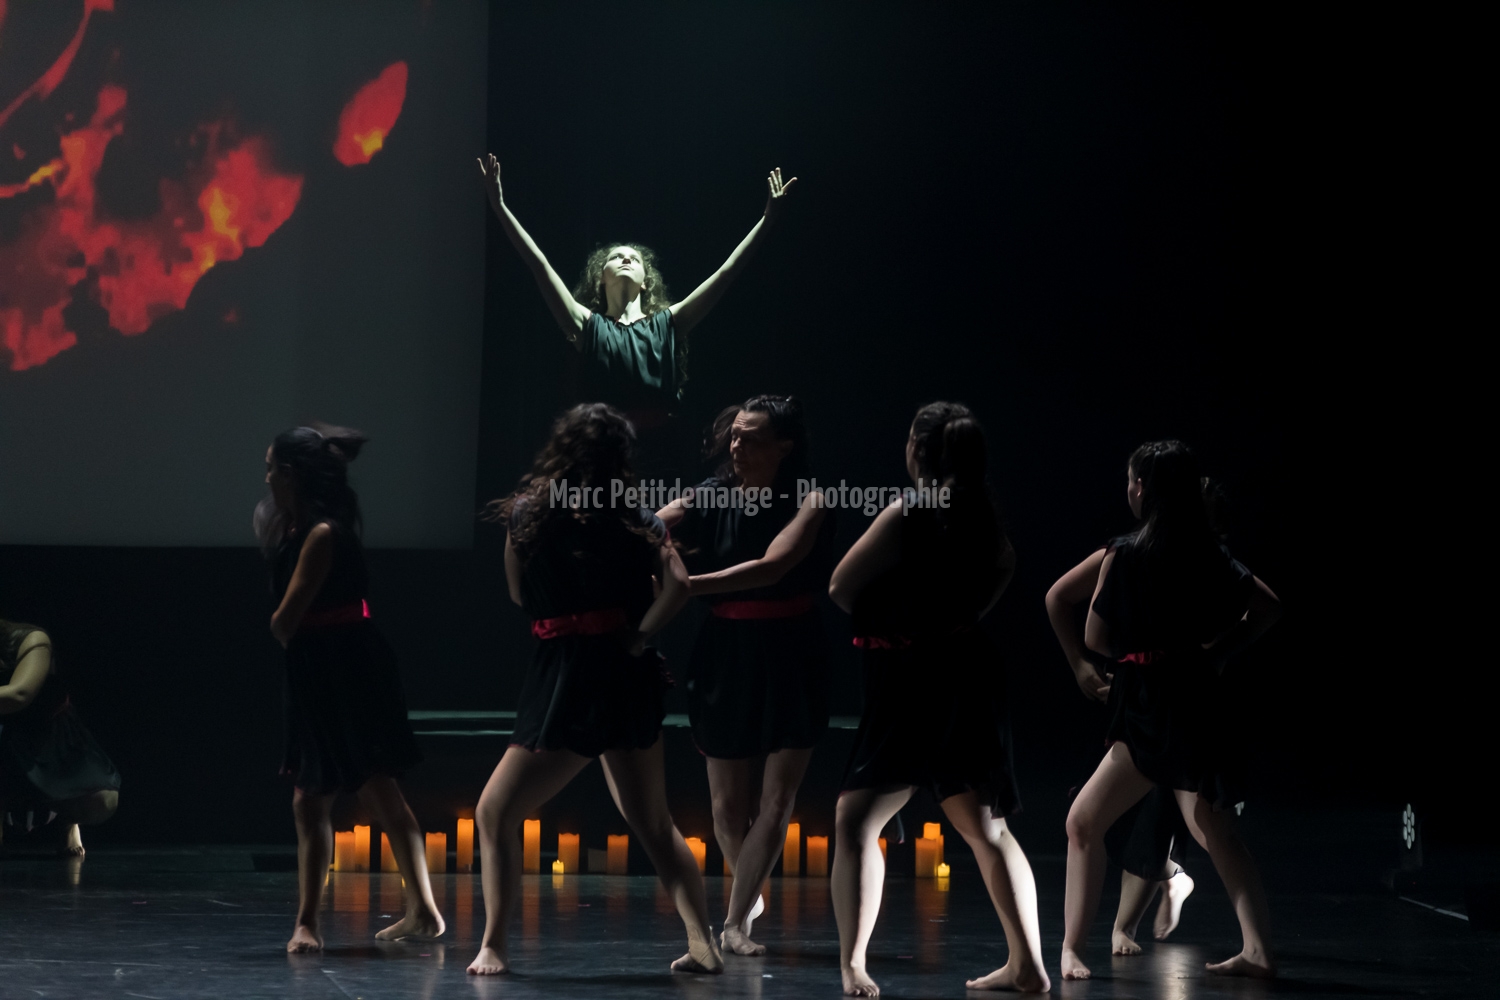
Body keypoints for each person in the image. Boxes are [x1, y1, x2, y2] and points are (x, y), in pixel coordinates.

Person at [467, 403, 722, 977]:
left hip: (569, 676)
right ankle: (703, 944)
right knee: (653, 822)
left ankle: (494, 945)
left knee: (495, 811)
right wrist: (639, 634)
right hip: (626, 675)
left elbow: (518, 594)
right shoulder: (635, 517)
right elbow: (679, 586)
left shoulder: (530, 513)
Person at [827, 402, 1048, 997]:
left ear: (921, 451)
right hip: (966, 671)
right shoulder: (981, 514)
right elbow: (1005, 565)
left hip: (910, 677)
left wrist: (903, 616)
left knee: (855, 822)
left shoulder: (911, 510)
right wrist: (958, 615)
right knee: (987, 829)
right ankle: (1028, 963)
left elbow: (842, 587)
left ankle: (854, 965)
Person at [1045, 439, 1282, 980]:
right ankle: (1259, 950)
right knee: (1216, 830)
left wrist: (1101, 658)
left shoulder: (1126, 553)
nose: (1128, 489)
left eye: (1131, 480)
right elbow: (1269, 608)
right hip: (1195, 699)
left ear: (1143, 489)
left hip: (1150, 704)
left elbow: (1096, 637)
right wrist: (1216, 653)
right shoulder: (1209, 553)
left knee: (1083, 822)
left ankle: (1072, 949)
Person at [476, 153, 796, 475]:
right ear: (601, 278)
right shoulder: (587, 325)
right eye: (616, 257)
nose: (626, 260)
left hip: (661, 451)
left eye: (635, 259)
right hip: (601, 450)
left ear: (645, 282)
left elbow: (726, 273)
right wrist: (500, 207)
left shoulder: (668, 322)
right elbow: (539, 264)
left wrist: (767, 219)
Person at [657, 394, 836, 956]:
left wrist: (687, 587)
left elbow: (773, 566)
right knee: (727, 809)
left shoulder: (811, 498)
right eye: (734, 434)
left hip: (791, 650)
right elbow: (650, 523)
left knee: (776, 800)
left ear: (784, 446)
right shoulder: (710, 494)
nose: (737, 445)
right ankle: (748, 896)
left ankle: (734, 925)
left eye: (752, 438)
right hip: (726, 652)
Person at [257, 424, 443, 953]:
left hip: (344, 668)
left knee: (339, 793)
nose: (266, 478)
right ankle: (417, 911)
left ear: (290, 474)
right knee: (341, 795)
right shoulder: (296, 526)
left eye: (271, 468)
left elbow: (286, 619)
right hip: (321, 666)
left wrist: (281, 625)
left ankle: (315, 923)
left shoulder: (322, 534)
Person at [0, 618, 120, 856]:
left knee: (101, 802)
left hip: (46, 739)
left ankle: (68, 821)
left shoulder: (31, 640)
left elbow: (19, 695)